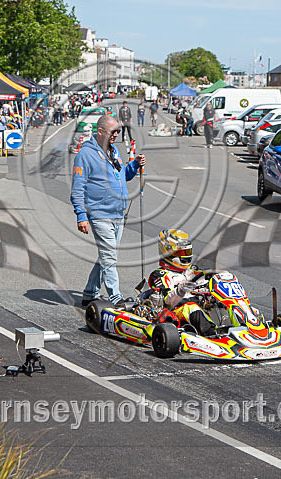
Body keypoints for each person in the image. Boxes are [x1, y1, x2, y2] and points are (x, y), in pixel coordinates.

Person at [70, 115, 146, 307]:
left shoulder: (114, 151)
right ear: (101, 132)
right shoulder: (85, 155)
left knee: (106, 255)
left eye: (118, 131)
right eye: (113, 131)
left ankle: (89, 292)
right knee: (109, 257)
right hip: (99, 214)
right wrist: (81, 216)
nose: (117, 135)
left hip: (118, 213)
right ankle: (116, 297)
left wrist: (135, 165)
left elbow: (124, 176)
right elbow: (78, 188)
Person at [147, 229, 218, 338]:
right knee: (191, 307)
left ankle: (246, 328)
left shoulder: (191, 271)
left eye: (188, 252)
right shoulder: (160, 275)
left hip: (198, 304)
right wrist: (184, 288)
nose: (186, 256)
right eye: (182, 253)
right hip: (177, 311)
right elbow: (168, 300)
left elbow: (204, 284)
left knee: (221, 302)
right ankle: (213, 336)